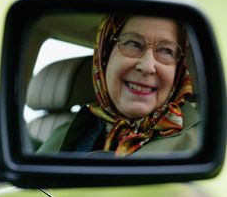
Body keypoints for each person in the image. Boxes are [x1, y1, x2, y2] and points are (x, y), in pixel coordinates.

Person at [37, 14, 200, 157]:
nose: (148, 66)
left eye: (166, 51)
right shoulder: (68, 132)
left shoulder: (198, 143)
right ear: (104, 56)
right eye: (134, 44)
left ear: (178, 69)